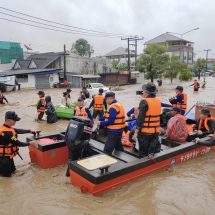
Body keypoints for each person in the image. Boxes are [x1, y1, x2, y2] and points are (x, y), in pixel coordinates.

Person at [0, 111, 37, 177]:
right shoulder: (7, 133)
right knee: (6, 177)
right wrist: (30, 143)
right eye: (14, 120)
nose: (16, 121)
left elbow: (17, 130)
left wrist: (29, 131)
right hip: (4, 159)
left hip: (8, 156)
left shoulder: (6, 127)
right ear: (8, 120)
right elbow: (18, 143)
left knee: (13, 171)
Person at [133, 82, 161, 157]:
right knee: (152, 152)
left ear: (147, 92)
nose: (143, 92)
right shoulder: (158, 101)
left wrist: (136, 132)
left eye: (144, 91)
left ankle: (142, 166)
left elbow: (140, 119)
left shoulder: (144, 102)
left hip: (145, 133)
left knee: (143, 153)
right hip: (155, 132)